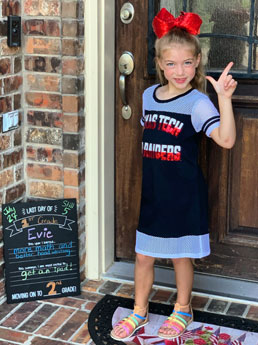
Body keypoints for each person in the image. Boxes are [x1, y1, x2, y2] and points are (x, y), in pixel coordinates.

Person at [111, 8, 237, 341]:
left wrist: (223, 98)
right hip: (154, 194)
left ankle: (183, 307)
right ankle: (140, 311)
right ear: (160, 64)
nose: (178, 71)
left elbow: (225, 139)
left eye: (186, 63)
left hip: (184, 195)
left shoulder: (198, 103)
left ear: (197, 62)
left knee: (182, 256)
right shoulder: (148, 96)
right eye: (171, 63)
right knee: (142, 256)